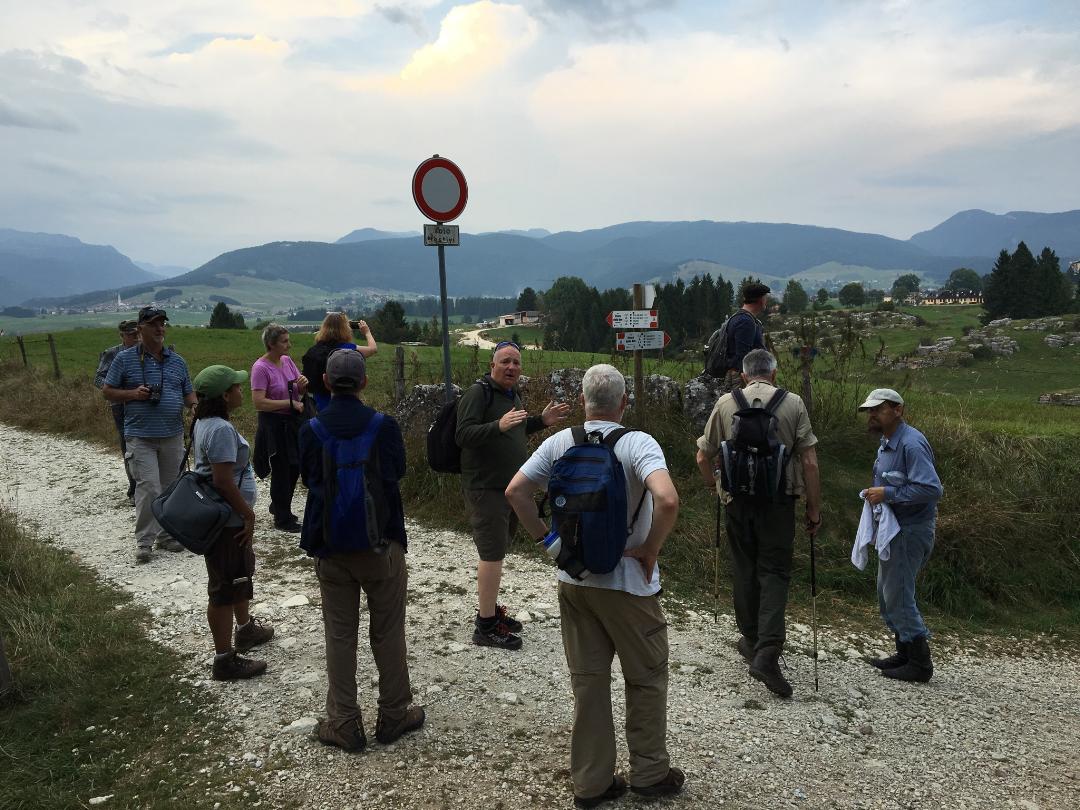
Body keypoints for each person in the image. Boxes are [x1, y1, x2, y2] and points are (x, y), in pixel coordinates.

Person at [505, 364, 683, 807]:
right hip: (629, 586)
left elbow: (515, 492)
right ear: (623, 403)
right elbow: (667, 499)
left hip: (574, 580)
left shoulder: (559, 442)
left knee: (589, 682)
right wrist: (649, 550)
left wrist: (551, 545)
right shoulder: (639, 444)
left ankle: (592, 782)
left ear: (584, 401)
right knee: (645, 678)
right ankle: (649, 774)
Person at [298, 349, 424, 751]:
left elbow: (309, 480)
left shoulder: (311, 428)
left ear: (327, 384)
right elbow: (398, 472)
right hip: (381, 545)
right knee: (387, 632)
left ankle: (344, 723)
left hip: (331, 547)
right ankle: (393, 714)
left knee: (339, 634)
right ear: (364, 382)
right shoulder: (383, 426)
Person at [695, 348, 821, 698]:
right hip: (778, 502)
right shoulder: (793, 403)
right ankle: (767, 651)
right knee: (774, 571)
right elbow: (809, 462)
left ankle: (751, 640)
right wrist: (814, 509)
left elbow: (702, 455)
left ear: (745, 375)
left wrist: (715, 486)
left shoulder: (725, 403)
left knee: (744, 567)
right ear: (774, 374)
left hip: (737, 501)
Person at [456, 341, 570, 650]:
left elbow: (515, 430)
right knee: (491, 553)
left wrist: (540, 421)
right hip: (485, 486)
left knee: (499, 550)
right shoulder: (478, 393)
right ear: (492, 364)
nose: (511, 367)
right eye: (505, 361)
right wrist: (497, 425)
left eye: (517, 363)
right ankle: (485, 626)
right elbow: (462, 434)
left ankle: (490, 612)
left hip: (507, 489)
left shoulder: (510, 395)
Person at [191, 365, 275, 681]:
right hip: (228, 520)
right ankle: (224, 658)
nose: (242, 391)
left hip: (224, 518)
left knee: (238, 577)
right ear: (225, 395)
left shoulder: (204, 422)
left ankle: (245, 629)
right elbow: (224, 481)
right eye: (237, 387)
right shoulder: (221, 430)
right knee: (224, 587)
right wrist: (248, 514)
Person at [858, 388, 943, 683]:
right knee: (887, 593)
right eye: (870, 411)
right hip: (895, 530)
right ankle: (904, 652)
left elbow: (932, 490)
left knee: (898, 595)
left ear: (897, 410)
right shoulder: (888, 442)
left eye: (877, 410)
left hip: (910, 531)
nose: (872, 415)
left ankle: (920, 664)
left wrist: (887, 493)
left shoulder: (911, 444)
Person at [103, 306, 197, 563]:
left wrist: (194, 406)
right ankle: (145, 541)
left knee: (169, 488)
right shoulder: (124, 359)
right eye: (153, 324)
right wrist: (133, 394)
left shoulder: (177, 361)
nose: (159, 328)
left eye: (162, 323)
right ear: (140, 328)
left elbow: (188, 392)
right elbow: (108, 390)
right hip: (140, 435)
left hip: (172, 434)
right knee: (148, 487)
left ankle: (167, 535)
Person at [251, 324, 309, 532]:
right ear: (271, 344)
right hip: (273, 424)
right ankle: (282, 518)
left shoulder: (286, 361)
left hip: (291, 421)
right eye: (284, 341)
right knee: (282, 468)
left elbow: (297, 387)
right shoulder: (260, 368)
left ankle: (279, 506)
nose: (289, 345)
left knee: (293, 466)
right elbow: (259, 403)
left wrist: (302, 384)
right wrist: (289, 403)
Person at [94, 319, 140, 502]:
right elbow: (98, 378)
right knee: (129, 446)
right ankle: (134, 490)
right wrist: (116, 389)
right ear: (122, 336)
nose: (136, 338)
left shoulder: (147, 351)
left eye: (137, 333)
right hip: (120, 406)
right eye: (131, 335)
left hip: (144, 404)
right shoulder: (112, 353)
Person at [302, 313, 377, 413]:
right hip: (345, 404)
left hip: (320, 404)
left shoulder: (313, 351)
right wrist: (367, 332)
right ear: (345, 329)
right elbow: (373, 349)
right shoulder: (347, 349)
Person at [710, 282, 770, 393]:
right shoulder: (746, 322)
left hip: (743, 375)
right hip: (743, 377)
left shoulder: (739, 317)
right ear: (760, 299)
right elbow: (743, 355)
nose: (766, 300)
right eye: (765, 297)